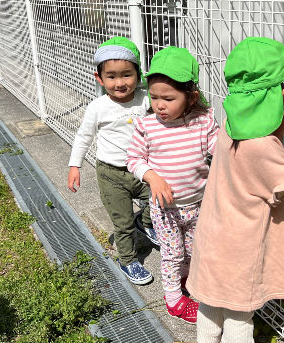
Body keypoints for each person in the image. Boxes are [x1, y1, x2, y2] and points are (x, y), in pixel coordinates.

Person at [186, 37, 284, 342]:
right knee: (239, 314)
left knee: (209, 303)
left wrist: (278, 128)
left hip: (213, 239)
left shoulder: (229, 128)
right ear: (280, 94)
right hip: (240, 250)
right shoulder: (261, 146)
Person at [126, 46, 219, 324]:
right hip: (165, 208)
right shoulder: (148, 126)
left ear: (190, 97)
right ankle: (173, 299)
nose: (159, 105)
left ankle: (187, 282)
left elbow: (220, 150)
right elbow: (133, 158)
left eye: (168, 98)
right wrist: (152, 177)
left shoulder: (203, 121)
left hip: (197, 204)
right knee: (172, 253)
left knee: (192, 250)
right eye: (154, 97)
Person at [67, 36, 158, 286]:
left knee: (158, 198)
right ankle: (128, 260)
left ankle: (146, 221)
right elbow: (83, 137)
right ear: (100, 78)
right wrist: (75, 165)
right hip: (111, 174)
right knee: (123, 222)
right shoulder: (98, 107)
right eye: (112, 76)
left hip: (141, 169)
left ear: (139, 75)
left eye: (127, 74)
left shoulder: (146, 99)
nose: (120, 83)